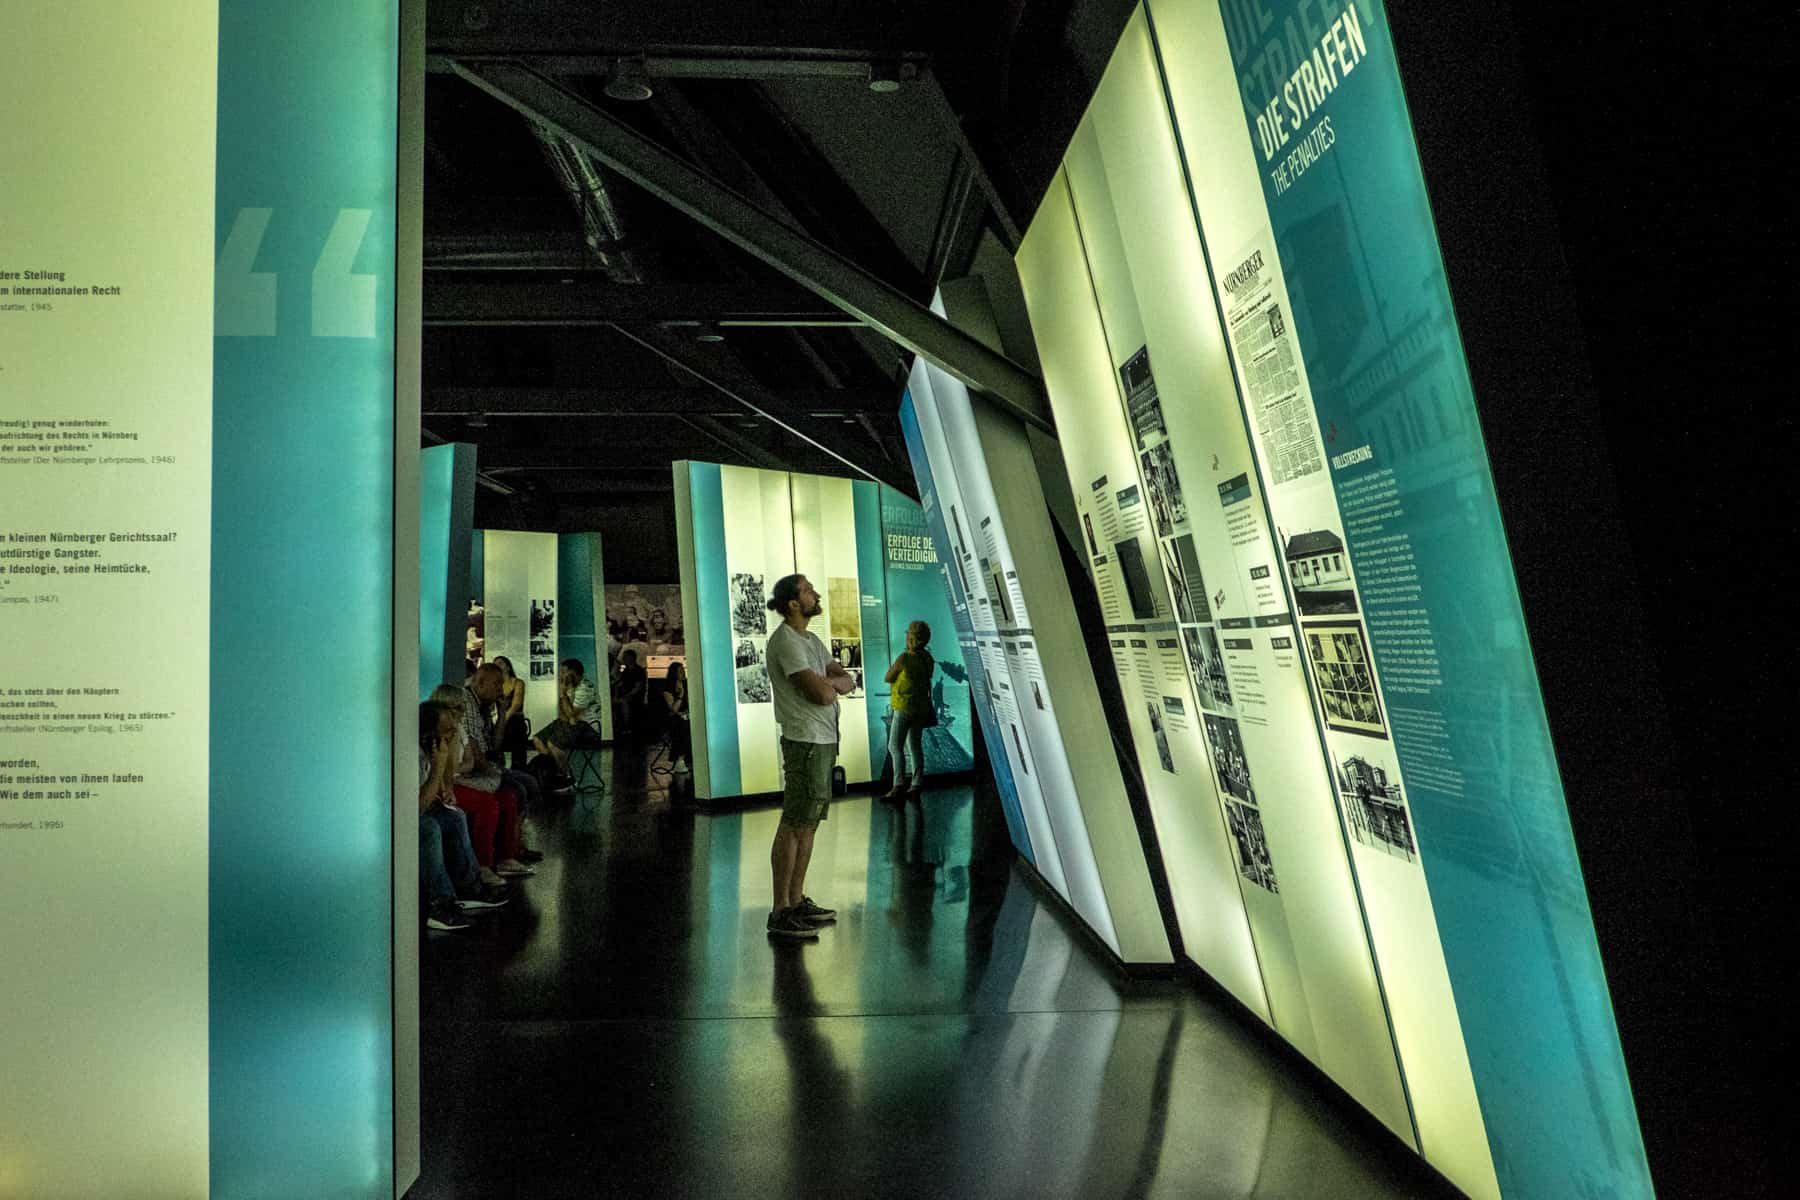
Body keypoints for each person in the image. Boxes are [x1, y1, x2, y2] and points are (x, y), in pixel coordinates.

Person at [763, 573, 855, 940]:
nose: (815, 593)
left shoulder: (811, 641)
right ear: (792, 604)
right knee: (795, 821)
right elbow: (821, 694)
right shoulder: (786, 643)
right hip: (805, 741)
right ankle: (780, 909)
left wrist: (829, 683)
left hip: (821, 740)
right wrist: (829, 685)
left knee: (809, 822)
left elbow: (842, 680)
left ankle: (796, 900)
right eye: (807, 590)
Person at [418, 701, 508, 931]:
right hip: (407, 815)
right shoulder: (413, 753)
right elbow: (415, 809)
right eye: (447, 730)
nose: (453, 733)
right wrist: (439, 766)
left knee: (455, 817)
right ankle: (439, 904)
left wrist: (444, 783)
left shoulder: (434, 748)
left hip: (420, 805)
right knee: (429, 827)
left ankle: (468, 887)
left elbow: (441, 785)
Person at [431, 683, 531, 879]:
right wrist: (458, 772)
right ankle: (483, 864)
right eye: (457, 707)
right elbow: (446, 769)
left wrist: (459, 771)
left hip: (460, 780)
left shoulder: (458, 729)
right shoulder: (441, 732)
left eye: (462, 707)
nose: (462, 711)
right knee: (488, 804)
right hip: (447, 786)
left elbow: (467, 762)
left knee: (509, 796)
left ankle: (505, 857)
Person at [465, 663, 545, 863]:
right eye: (497, 685)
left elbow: (495, 744)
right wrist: (492, 773)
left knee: (528, 784)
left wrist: (501, 715)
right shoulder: (467, 705)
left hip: (490, 766)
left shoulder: (483, 707)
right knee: (517, 789)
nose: (501, 690)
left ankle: (514, 846)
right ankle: (508, 852)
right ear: (480, 682)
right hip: (476, 770)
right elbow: (476, 750)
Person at [882, 620, 936, 800]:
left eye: (908, 634)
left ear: (912, 638)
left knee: (894, 746)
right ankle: (916, 784)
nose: (905, 637)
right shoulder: (928, 659)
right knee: (915, 746)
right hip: (920, 708)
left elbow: (888, 677)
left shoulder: (904, 658)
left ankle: (898, 785)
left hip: (904, 707)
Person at [541, 658, 603, 779]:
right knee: (539, 739)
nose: (561, 675)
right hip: (573, 724)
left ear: (573, 672)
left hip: (588, 727)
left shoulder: (585, 687)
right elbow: (563, 714)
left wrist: (563, 695)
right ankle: (556, 768)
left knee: (553, 744)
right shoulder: (570, 687)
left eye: (564, 672)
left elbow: (571, 714)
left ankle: (566, 776)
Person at [662, 660, 691, 774]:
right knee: (681, 726)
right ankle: (680, 759)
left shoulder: (687, 684)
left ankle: (690, 759)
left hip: (684, 715)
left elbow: (689, 704)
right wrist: (681, 695)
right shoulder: (668, 688)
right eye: (680, 671)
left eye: (683, 670)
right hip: (672, 717)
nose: (683, 673)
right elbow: (673, 709)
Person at [613, 648, 648, 740]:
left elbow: (637, 688)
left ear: (631, 658)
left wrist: (625, 696)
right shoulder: (625, 671)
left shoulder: (639, 671)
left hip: (635, 697)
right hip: (625, 694)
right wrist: (616, 696)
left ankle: (626, 726)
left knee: (624, 703)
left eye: (625, 657)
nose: (623, 659)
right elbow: (619, 684)